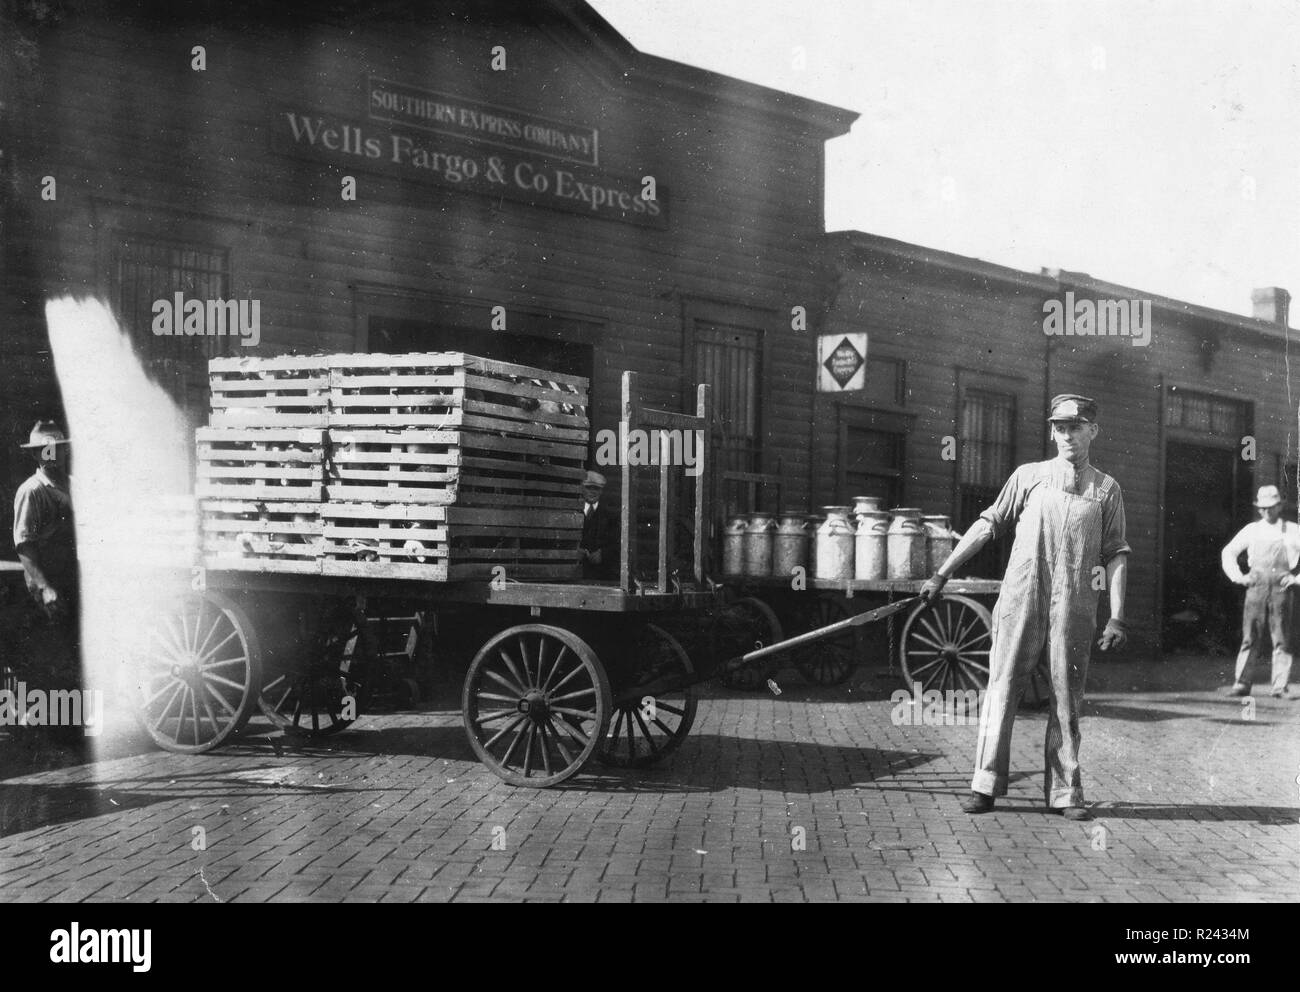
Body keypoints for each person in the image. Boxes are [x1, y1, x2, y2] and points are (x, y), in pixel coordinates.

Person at [920, 394, 1130, 820]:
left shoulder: (1106, 489)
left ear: (1093, 430)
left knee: (1067, 698)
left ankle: (1067, 793)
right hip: (1022, 600)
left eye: (1076, 426)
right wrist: (942, 572)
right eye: (1060, 427)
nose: (1067, 434)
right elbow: (988, 524)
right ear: (1052, 431)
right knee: (1001, 690)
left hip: (1074, 608)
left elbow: (1117, 554)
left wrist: (1117, 615)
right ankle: (984, 784)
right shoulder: (1028, 476)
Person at [12, 420, 80, 691]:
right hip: (47, 584)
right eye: (44, 450)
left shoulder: (74, 486)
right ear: (34, 455)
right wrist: (44, 587)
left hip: (71, 579)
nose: (52, 454)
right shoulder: (32, 491)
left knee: (73, 652)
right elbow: (24, 546)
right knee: (52, 658)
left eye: (56, 449)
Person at [1220, 485, 1299, 699]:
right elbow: (1229, 552)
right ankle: (1241, 684)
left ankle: (1279, 687)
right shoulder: (1252, 530)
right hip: (1256, 587)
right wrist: (1239, 576)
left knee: (1281, 638)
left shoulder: (1293, 530)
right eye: (1263, 508)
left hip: (1281, 588)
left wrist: (1296, 578)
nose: (1267, 512)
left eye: (1271, 507)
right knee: (1250, 636)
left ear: (1280, 506)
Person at [579, 469, 618, 580]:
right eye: (588, 488)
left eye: (596, 488)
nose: (593, 492)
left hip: (601, 574)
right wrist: (574, 551)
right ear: (581, 488)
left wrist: (603, 554)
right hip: (576, 572)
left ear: (601, 491)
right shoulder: (573, 510)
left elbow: (617, 544)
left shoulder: (611, 515)